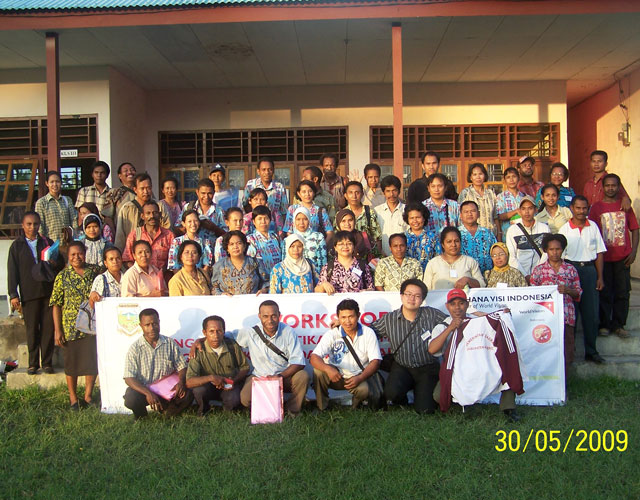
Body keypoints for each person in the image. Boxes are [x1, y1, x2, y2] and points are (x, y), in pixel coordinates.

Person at [427, 289, 523, 422]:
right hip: (457, 372)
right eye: (453, 304)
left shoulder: (478, 319)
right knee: (438, 396)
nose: (457, 307)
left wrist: (503, 317)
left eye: (461, 303)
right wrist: (451, 328)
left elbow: (494, 326)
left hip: (483, 366)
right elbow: (432, 350)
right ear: (447, 306)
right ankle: (460, 404)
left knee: (507, 365)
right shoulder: (442, 326)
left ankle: (509, 408)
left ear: (467, 304)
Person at [370, 278, 447, 413]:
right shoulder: (389, 319)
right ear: (401, 296)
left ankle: (422, 391)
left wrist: (476, 315)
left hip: (427, 368)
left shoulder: (432, 314)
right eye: (408, 294)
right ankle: (402, 399)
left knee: (425, 410)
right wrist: (344, 327)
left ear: (422, 299)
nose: (412, 299)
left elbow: (452, 321)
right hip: (402, 367)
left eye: (417, 296)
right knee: (391, 395)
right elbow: (369, 333)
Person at [8, 211, 64, 375]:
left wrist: (54, 262)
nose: (33, 227)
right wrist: (13, 294)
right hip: (29, 293)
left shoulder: (47, 242)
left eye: (36, 224)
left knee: (47, 329)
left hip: (48, 291)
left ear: (40, 225)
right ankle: (33, 363)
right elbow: (13, 271)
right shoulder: (17, 246)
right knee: (32, 329)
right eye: (29, 224)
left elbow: (60, 263)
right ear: (23, 226)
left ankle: (47, 362)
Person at [234, 300, 309, 416]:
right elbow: (222, 336)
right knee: (245, 399)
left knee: (302, 376)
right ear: (259, 316)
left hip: (284, 376)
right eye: (265, 316)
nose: (270, 320)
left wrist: (279, 377)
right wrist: (201, 340)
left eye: (274, 316)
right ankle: (269, 409)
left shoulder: (288, 332)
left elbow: (299, 362)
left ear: (279, 315)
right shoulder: (250, 332)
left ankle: (292, 410)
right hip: (260, 376)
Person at [50, 241, 100, 410]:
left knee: (91, 362)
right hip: (70, 327)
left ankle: (87, 396)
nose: (76, 257)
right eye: (73, 255)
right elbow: (56, 304)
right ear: (68, 257)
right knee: (71, 364)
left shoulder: (94, 273)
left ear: (85, 254)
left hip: (91, 325)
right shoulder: (62, 276)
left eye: (79, 254)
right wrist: (58, 330)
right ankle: (73, 399)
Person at [589, 173, 639, 338]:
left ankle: (619, 324)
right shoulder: (596, 207)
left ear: (619, 187)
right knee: (604, 291)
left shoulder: (624, 206)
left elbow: (635, 229)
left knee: (622, 292)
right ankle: (604, 324)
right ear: (603, 188)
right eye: (607, 185)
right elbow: (592, 232)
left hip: (622, 257)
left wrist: (633, 252)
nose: (610, 188)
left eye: (614, 185)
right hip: (603, 258)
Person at [558, 195, 607, 364]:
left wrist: (600, 277)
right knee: (571, 314)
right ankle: (570, 353)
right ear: (572, 208)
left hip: (589, 271)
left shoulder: (593, 226)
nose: (581, 211)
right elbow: (560, 255)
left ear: (588, 209)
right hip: (571, 270)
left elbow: (599, 253)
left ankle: (591, 351)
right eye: (578, 208)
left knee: (591, 314)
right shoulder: (565, 229)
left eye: (584, 208)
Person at [311, 299, 382, 410]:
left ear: (358, 315)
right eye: (343, 317)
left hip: (357, 377)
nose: (347, 321)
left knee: (365, 390)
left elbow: (375, 361)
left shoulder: (368, 333)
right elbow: (314, 357)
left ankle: (355, 406)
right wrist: (328, 369)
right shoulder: (332, 334)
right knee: (318, 372)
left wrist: (360, 378)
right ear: (338, 318)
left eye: (351, 316)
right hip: (336, 376)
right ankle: (322, 407)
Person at [123, 308, 193, 419]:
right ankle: (141, 417)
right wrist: (148, 393)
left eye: (155, 323)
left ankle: (169, 412)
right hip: (145, 390)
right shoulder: (135, 348)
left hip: (167, 390)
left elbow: (182, 367)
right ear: (141, 326)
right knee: (131, 398)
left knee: (188, 393)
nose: (152, 328)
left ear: (159, 323)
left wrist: (181, 382)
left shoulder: (169, 343)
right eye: (147, 325)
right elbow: (129, 378)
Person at [530, 234, 582, 371]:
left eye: (558, 249)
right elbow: (532, 296)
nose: (555, 252)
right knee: (546, 352)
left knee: (567, 352)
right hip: (545, 320)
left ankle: (564, 387)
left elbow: (578, 292)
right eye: (551, 249)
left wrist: (568, 290)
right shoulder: (538, 271)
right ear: (546, 250)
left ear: (563, 249)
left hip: (566, 317)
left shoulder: (570, 270)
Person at [186, 315, 249, 415]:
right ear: (204, 333)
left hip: (229, 385)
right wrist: (211, 378)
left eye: (219, 331)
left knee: (233, 398)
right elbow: (189, 382)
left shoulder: (232, 346)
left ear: (224, 331)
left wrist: (234, 380)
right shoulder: (198, 350)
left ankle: (230, 412)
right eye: (211, 331)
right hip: (208, 386)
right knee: (199, 390)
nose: (215, 335)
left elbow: (245, 367)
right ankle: (203, 410)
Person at [114, 173, 171, 251]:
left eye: (148, 188)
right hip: (133, 253)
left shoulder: (160, 206)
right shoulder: (127, 208)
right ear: (135, 189)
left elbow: (167, 229)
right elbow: (120, 236)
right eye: (142, 188)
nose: (146, 192)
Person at [122, 201, 175, 278]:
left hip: (163, 280)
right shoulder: (135, 235)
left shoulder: (169, 235)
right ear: (143, 216)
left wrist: (159, 273)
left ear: (160, 214)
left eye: (155, 213)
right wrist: (142, 273)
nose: (152, 216)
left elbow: (174, 261)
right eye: (148, 213)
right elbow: (127, 259)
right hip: (141, 281)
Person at [505, 196, 550, 282]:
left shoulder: (544, 228)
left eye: (530, 208)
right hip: (519, 275)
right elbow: (512, 256)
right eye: (523, 209)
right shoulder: (512, 230)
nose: (527, 212)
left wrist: (537, 273)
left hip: (541, 274)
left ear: (536, 210)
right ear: (519, 211)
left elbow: (546, 253)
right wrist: (525, 275)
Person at [210, 230, 268, 295]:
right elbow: (213, 288)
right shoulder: (219, 266)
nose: (235, 247)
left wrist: (263, 290)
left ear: (244, 245)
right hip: (228, 303)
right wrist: (221, 294)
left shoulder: (256, 263)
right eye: (231, 244)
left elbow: (266, 282)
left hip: (252, 303)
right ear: (227, 248)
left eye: (239, 243)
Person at [243, 157, 288, 229]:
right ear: (258, 171)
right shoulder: (250, 185)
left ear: (273, 171)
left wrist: (283, 229)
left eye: (270, 169)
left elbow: (284, 210)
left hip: (275, 224)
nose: (267, 172)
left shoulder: (279, 187)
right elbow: (245, 204)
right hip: (255, 224)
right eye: (263, 170)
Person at [35, 170, 77, 242]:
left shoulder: (67, 200)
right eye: (52, 182)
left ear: (61, 183)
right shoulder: (41, 203)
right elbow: (40, 227)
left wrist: (74, 237)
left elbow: (74, 220)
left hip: (67, 243)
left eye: (57, 181)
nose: (55, 184)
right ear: (47, 183)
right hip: (51, 244)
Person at [343, 181, 382, 257]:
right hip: (347, 255)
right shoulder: (341, 214)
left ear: (362, 194)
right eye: (350, 192)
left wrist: (377, 256)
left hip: (366, 256)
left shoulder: (369, 212)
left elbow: (377, 237)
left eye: (357, 192)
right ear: (345, 195)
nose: (354, 196)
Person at [168, 209, 213, 274]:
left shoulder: (205, 242)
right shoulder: (177, 242)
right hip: (181, 278)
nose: (193, 224)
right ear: (183, 224)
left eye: (195, 221)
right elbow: (174, 265)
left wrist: (200, 278)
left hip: (200, 278)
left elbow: (207, 265)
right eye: (189, 221)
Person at [457, 163, 498, 236]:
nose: (478, 177)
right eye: (475, 175)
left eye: (480, 174)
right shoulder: (465, 193)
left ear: (484, 175)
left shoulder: (491, 193)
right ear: (470, 177)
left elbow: (495, 217)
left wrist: (499, 235)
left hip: (491, 235)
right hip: (471, 235)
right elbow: (460, 217)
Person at [458, 200, 497, 274]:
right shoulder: (456, 234)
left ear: (478, 213)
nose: (470, 214)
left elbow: (495, 252)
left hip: (487, 276)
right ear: (461, 215)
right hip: (464, 276)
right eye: (466, 212)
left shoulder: (488, 233)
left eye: (473, 211)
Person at [374, 175, 408, 256]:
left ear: (399, 191)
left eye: (394, 190)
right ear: (383, 192)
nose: (391, 194)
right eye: (388, 191)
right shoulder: (377, 211)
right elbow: (375, 236)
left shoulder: (407, 210)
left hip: (404, 256)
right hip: (383, 256)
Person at [246, 205, 282, 280]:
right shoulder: (250, 239)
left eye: (266, 218)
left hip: (278, 279)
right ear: (254, 222)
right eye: (260, 219)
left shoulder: (275, 237)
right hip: (261, 281)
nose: (263, 222)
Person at [288, 206, 327, 271]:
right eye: (298, 219)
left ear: (309, 220)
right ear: (294, 221)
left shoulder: (318, 237)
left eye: (305, 219)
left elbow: (323, 263)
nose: (301, 223)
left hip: (314, 278)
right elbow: (285, 264)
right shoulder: (289, 239)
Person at [403, 202, 439, 271]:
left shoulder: (433, 237)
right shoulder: (403, 238)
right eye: (411, 218)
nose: (415, 221)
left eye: (418, 217)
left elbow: (438, 258)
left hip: (428, 276)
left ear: (424, 218)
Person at [496, 167, 525, 240]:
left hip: (523, 234)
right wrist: (516, 211)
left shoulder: (524, 196)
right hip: (507, 235)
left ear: (518, 178)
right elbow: (500, 216)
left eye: (514, 176)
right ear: (504, 180)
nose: (511, 180)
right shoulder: (501, 197)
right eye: (508, 177)